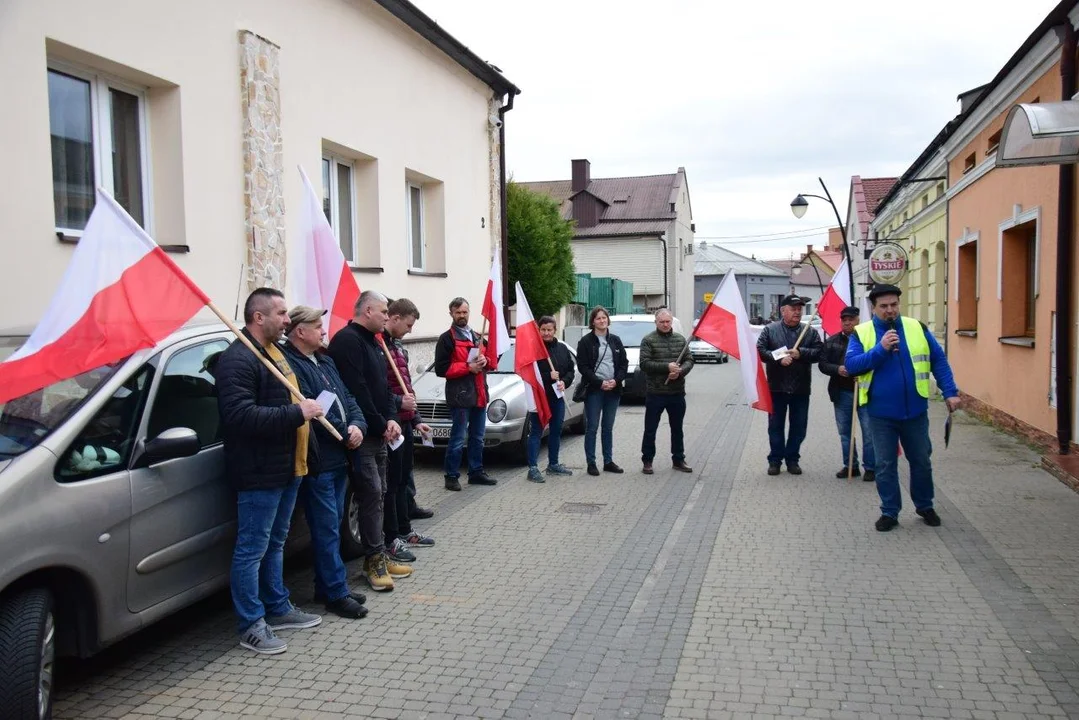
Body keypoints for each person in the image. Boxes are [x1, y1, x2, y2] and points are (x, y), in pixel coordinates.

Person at [216, 288, 324, 655]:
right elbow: (240, 416)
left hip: (288, 467)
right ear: (258, 317)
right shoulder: (238, 360)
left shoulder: (273, 354)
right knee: (252, 548)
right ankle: (250, 623)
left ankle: (277, 607)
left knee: (275, 543)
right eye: (280, 313)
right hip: (259, 472)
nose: (287, 320)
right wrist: (298, 414)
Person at [844, 284, 960, 532]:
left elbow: (937, 360)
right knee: (885, 464)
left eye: (894, 305)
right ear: (873, 308)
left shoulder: (916, 327)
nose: (890, 311)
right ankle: (889, 511)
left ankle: (925, 506)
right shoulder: (861, 333)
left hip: (915, 411)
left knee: (921, 461)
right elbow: (852, 365)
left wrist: (950, 392)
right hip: (880, 413)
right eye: (883, 306)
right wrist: (881, 348)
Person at [282, 306, 369, 619]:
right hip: (319, 459)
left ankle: (329, 584)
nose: (323, 330)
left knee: (332, 525)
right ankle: (335, 592)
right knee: (326, 527)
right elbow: (309, 409)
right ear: (300, 331)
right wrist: (342, 430)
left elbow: (349, 399)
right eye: (317, 326)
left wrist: (357, 425)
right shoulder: (290, 364)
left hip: (339, 458)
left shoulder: (326, 360)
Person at [327, 291, 413, 590]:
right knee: (371, 494)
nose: (388, 316)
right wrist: (379, 422)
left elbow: (385, 387)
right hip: (363, 434)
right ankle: (373, 559)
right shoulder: (348, 341)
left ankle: (377, 553)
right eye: (384, 311)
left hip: (380, 432)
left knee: (381, 492)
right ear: (367, 311)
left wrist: (391, 417)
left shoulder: (375, 343)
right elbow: (357, 390)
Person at [382, 298, 436, 560]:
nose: (411, 330)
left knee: (403, 480)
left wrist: (416, 419)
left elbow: (406, 388)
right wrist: (397, 406)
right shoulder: (378, 345)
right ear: (394, 317)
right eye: (408, 324)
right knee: (391, 484)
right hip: (389, 425)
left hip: (404, 422)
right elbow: (380, 390)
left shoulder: (396, 347)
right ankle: (392, 536)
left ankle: (404, 529)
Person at [756, 295, 823, 476]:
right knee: (775, 426)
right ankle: (775, 460)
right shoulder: (770, 330)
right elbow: (761, 350)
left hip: (801, 388)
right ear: (782, 311)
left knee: (799, 426)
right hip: (776, 387)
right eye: (793, 309)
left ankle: (792, 459)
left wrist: (800, 353)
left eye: (799, 309)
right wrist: (779, 358)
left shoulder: (809, 331)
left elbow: (819, 352)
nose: (797, 312)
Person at [434, 297, 496, 490]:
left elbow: (492, 361)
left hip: (479, 394)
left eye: (465, 312)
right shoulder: (446, 338)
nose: (462, 315)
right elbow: (441, 369)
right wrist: (468, 367)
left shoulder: (477, 337)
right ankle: (451, 476)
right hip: (459, 396)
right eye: (458, 312)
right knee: (458, 438)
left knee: (478, 437)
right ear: (451, 313)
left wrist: (485, 361)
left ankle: (476, 472)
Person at [818, 306, 876, 482]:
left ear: (858, 320)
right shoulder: (832, 341)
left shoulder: (868, 340)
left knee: (868, 432)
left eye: (851, 319)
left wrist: (860, 368)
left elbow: (876, 360)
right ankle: (850, 465)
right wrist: (838, 369)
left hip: (865, 392)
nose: (848, 322)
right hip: (842, 392)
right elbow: (823, 364)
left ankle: (871, 467)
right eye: (844, 319)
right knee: (845, 433)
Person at [638, 309, 695, 475]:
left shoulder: (680, 339)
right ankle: (647, 460)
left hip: (676, 392)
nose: (665, 324)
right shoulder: (648, 340)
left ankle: (678, 459)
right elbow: (645, 364)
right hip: (655, 393)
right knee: (650, 428)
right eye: (662, 322)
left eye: (667, 321)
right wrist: (666, 367)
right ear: (656, 322)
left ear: (672, 322)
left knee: (677, 428)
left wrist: (680, 371)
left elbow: (689, 360)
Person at [576, 306, 629, 476]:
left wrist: (616, 380)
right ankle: (591, 463)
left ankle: (608, 461)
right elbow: (583, 367)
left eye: (604, 318)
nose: (602, 321)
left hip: (613, 390)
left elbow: (623, 364)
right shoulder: (585, 342)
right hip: (594, 390)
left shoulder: (615, 340)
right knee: (592, 427)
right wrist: (599, 382)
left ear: (608, 320)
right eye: (598, 318)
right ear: (593, 322)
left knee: (608, 427)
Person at [525, 315, 576, 483]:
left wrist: (564, 382)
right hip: (539, 397)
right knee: (536, 432)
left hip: (557, 396)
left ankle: (553, 464)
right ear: (538, 330)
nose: (546, 333)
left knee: (556, 431)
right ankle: (532, 468)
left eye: (549, 330)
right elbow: (530, 374)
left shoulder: (562, 349)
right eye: (543, 330)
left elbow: (570, 370)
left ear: (555, 331)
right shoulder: (532, 349)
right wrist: (548, 375)